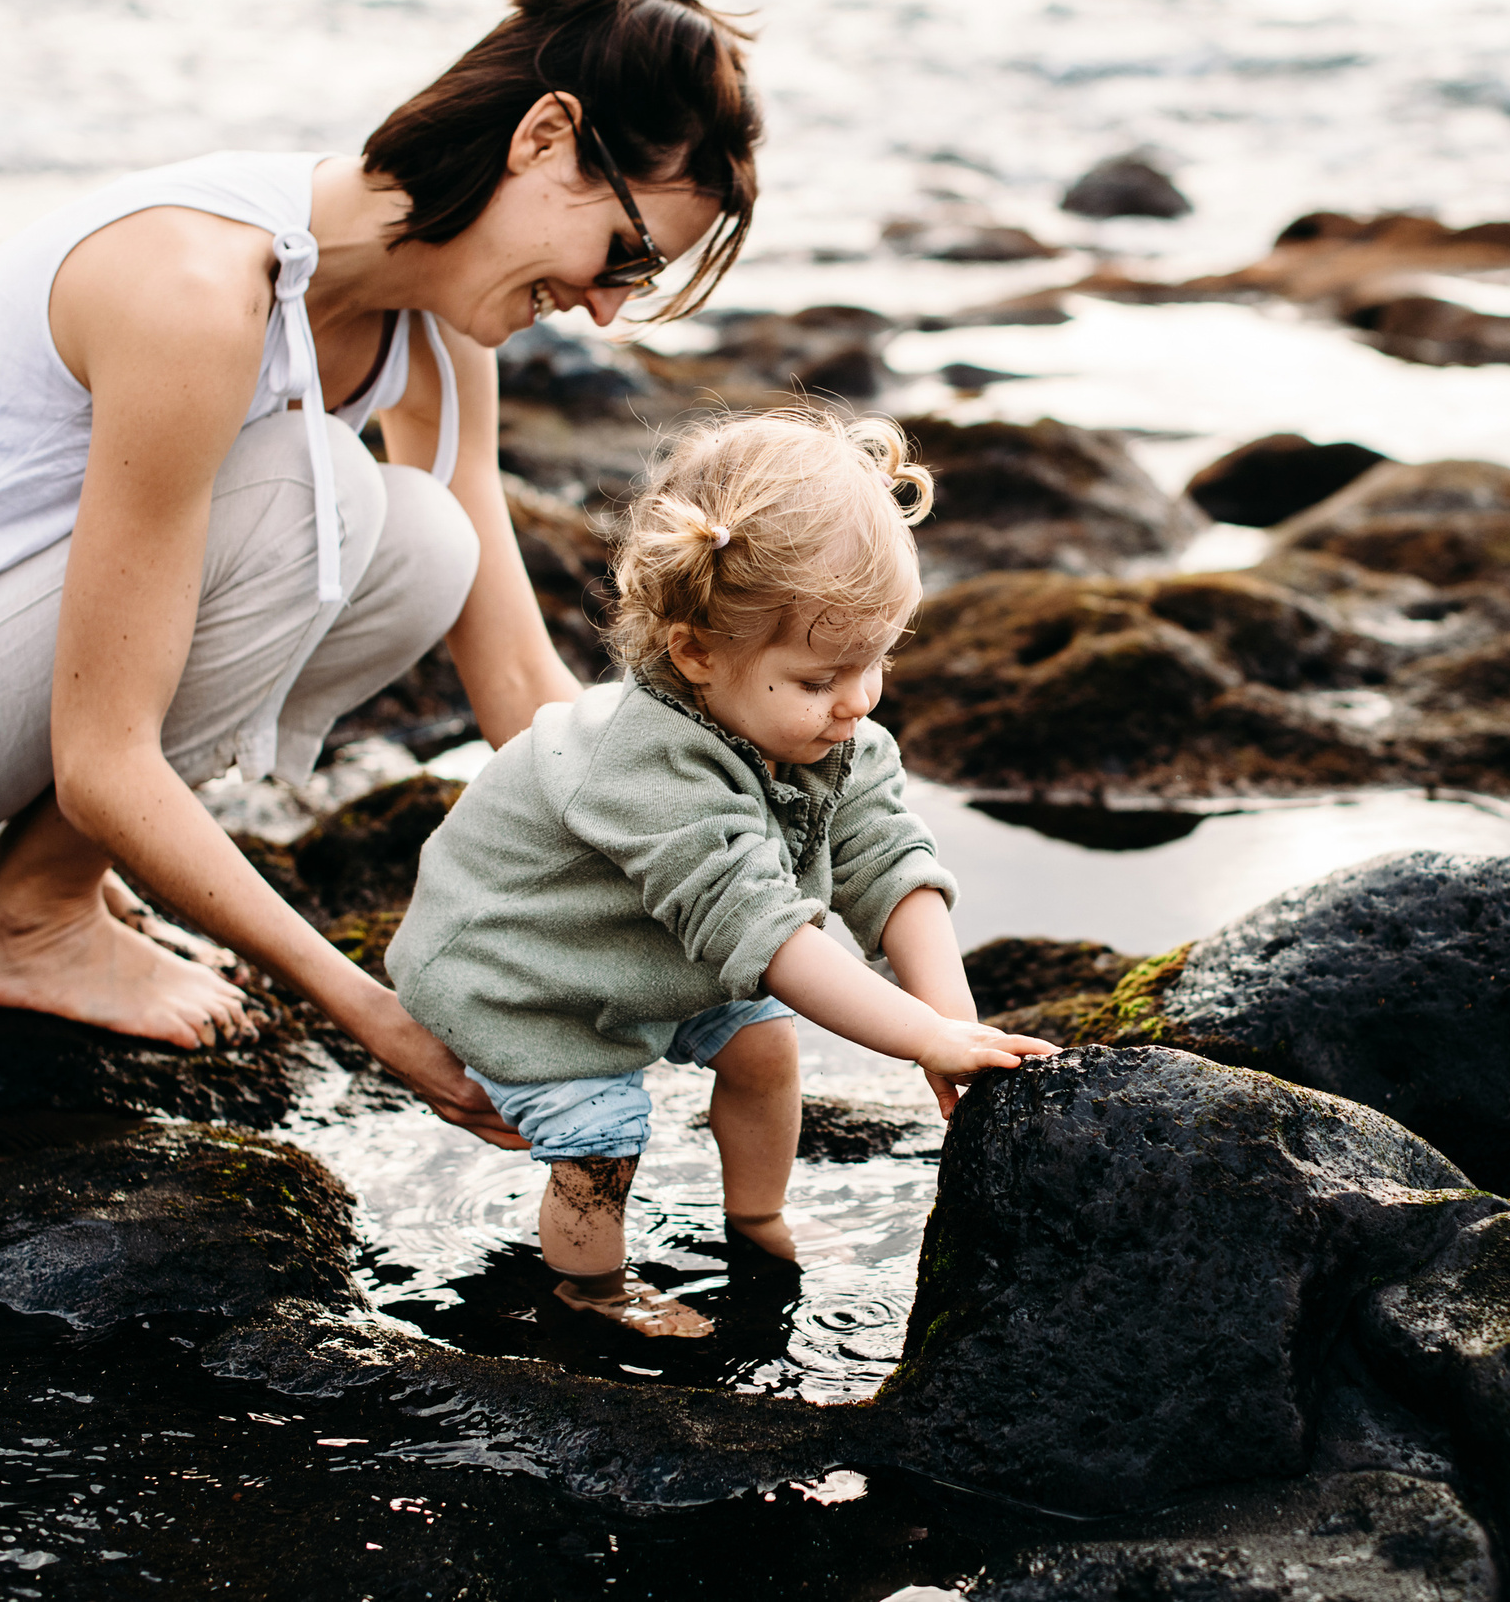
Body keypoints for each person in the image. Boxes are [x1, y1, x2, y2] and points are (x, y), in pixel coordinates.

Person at [0, 0, 757, 1149]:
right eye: (622, 252)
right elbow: (103, 753)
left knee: (422, 542)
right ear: (543, 137)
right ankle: (36, 917)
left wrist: (711, 886)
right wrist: (377, 1014)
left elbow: (519, 685)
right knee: (316, 491)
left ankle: (40, 885)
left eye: (637, 279)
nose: (605, 310)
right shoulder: (201, 289)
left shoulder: (433, 335)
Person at [386, 408, 1057, 1336]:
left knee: (766, 1046)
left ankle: (759, 1219)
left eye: (876, 661)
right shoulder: (646, 766)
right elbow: (764, 932)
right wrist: (915, 1038)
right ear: (696, 651)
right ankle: (591, 1290)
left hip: (650, 946)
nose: (858, 701)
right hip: (529, 968)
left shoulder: (830, 734)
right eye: (821, 679)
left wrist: (953, 1029)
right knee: (599, 1142)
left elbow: (888, 862)